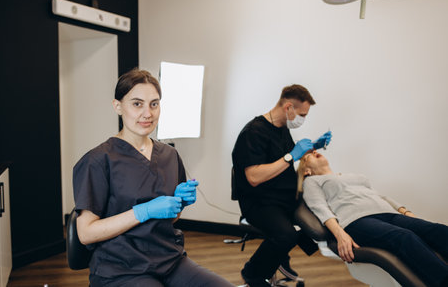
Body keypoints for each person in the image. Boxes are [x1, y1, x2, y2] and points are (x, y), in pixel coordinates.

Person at [73, 68, 233, 287]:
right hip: (121, 268)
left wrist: (178, 204)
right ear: (117, 106)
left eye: (154, 104)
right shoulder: (98, 160)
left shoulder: (169, 155)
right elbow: (86, 233)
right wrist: (142, 211)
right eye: (137, 104)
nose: (147, 113)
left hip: (169, 260)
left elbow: (170, 220)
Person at [299, 150, 448, 287]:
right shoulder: (312, 182)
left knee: (438, 230)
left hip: (388, 213)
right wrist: (340, 234)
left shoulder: (353, 176)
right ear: (307, 170)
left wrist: (405, 211)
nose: (314, 151)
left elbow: (380, 196)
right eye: (308, 156)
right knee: (404, 237)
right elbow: (320, 207)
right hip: (356, 220)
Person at [231, 84, 332, 287]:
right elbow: (253, 176)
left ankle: (279, 259)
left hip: (282, 197)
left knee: (321, 219)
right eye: (302, 114)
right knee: (286, 235)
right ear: (288, 108)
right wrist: (291, 156)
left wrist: (312, 147)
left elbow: (283, 157)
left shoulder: (282, 128)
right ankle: (253, 273)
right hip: (259, 202)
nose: (303, 119)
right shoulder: (253, 133)